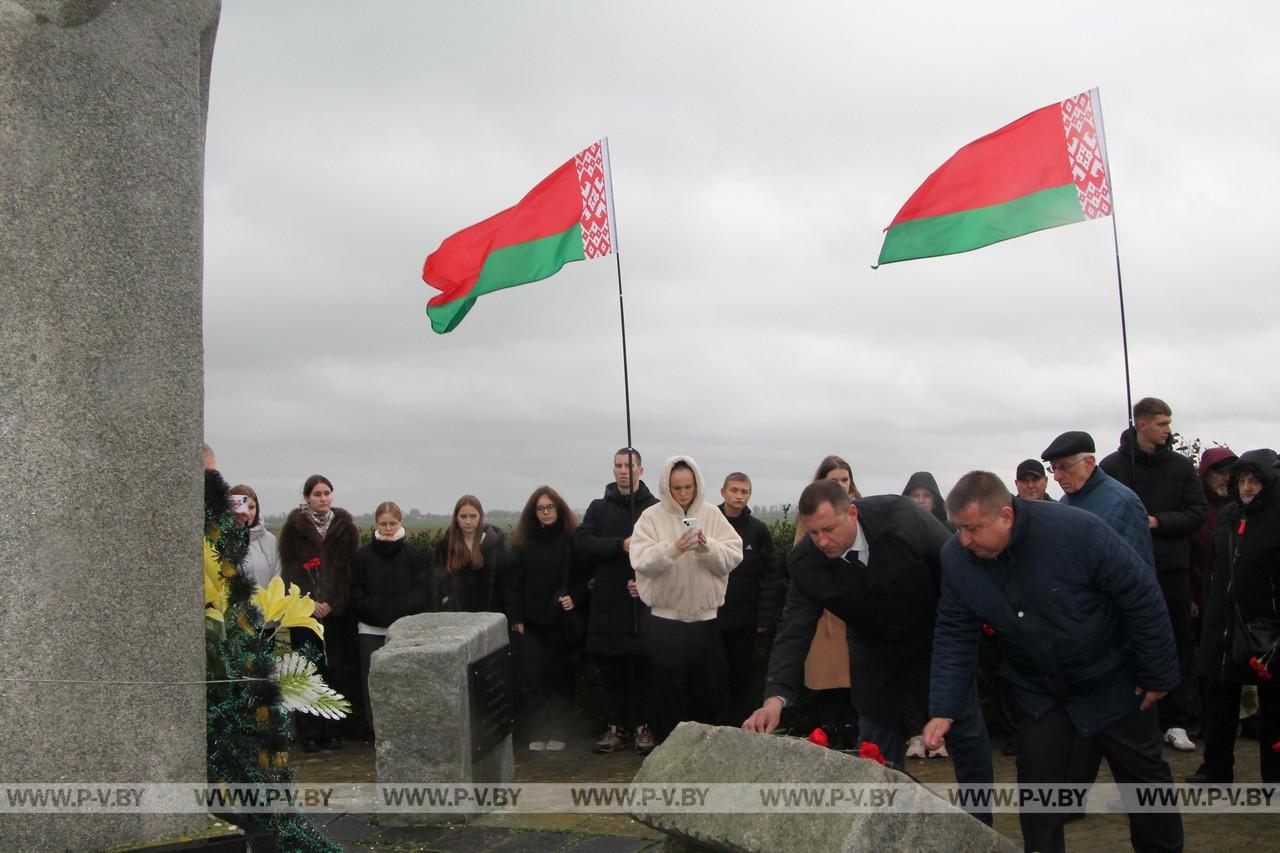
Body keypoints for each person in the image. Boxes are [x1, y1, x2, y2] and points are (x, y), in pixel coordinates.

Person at [926, 471, 1182, 853]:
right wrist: (944, 709)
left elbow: (1140, 594)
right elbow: (953, 633)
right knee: (1039, 794)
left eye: (973, 529)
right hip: (1039, 689)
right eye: (958, 529)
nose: (964, 540)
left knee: (1144, 785)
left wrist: (1157, 673)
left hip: (1113, 678)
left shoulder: (1076, 531)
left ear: (1006, 516)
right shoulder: (958, 559)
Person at [745, 479, 994, 823]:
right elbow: (794, 628)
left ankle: (981, 827)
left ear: (852, 512)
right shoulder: (804, 562)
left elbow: (957, 568)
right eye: (814, 533)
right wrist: (776, 696)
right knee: (876, 744)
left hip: (934, 641)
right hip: (873, 654)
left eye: (829, 529)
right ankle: (889, 829)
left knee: (965, 734)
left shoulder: (903, 519)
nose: (823, 542)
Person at [1101, 398, 1207, 753]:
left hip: (1170, 571)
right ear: (1142, 423)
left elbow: (1196, 513)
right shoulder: (1113, 466)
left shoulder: (1180, 467)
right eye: (1161, 423)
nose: (1167, 429)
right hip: (1125, 570)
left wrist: (1156, 522)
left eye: (1169, 423)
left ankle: (1175, 721)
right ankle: (1130, 717)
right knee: (1126, 642)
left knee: (1175, 642)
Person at [631, 456, 743, 743]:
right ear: (666, 487)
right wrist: (673, 549)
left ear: (697, 485)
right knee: (668, 697)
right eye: (676, 488)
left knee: (707, 695)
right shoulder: (650, 517)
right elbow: (641, 560)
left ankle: (704, 753)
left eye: (687, 487)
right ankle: (669, 754)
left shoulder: (713, 516)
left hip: (705, 623)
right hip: (665, 623)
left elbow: (733, 556)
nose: (682, 494)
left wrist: (707, 547)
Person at [1190, 449, 1280, 784]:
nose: (1246, 486)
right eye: (1242, 479)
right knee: (1217, 701)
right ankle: (1215, 769)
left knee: (1274, 709)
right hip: (1221, 622)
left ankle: (1274, 777)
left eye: (1255, 480)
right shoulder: (1227, 516)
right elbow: (1213, 567)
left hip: (1267, 626)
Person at [575, 448, 659, 754]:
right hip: (607, 605)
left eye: (629, 466)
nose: (623, 471)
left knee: (643, 671)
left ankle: (643, 728)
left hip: (642, 605)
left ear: (641, 470)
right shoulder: (598, 508)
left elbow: (667, 551)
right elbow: (583, 544)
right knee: (611, 672)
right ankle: (615, 727)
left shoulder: (655, 508)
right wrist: (618, 545)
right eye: (618, 465)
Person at [278, 474, 361, 751]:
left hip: (337, 613)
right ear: (307, 497)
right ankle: (310, 731)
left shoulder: (345, 527)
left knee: (337, 670)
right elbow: (290, 569)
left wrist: (333, 602)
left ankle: (335, 728)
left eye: (327, 493)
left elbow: (349, 570)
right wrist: (309, 601)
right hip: (304, 613)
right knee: (308, 669)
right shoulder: (293, 528)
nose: (323, 498)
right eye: (317, 494)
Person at [505, 486, 588, 752]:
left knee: (560, 677)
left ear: (559, 509)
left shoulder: (572, 540)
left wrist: (574, 597)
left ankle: (560, 732)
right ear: (534, 513)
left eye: (550, 507)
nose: (546, 512)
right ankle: (537, 732)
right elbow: (513, 583)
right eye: (540, 508)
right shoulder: (522, 544)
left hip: (560, 621)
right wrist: (516, 616)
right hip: (530, 622)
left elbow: (585, 578)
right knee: (533, 679)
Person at [350, 501, 434, 736]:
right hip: (370, 629)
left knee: (405, 681)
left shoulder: (414, 555)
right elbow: (356, 592)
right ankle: (376, 732)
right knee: (374, 684)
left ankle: (406, 731)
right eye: (383, 523)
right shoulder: (362, 556)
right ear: (376, 524)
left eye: (392, 523)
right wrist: (372, 609)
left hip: (405, 631)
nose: (388, 528)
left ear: (401, 523)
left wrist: (401, 611)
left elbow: (423, 591)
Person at [795, 455, 861, 749]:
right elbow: (802, 558)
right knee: (825, 677)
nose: (841, 485)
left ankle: (855, 730)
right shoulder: (808, 514)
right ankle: (827, 730)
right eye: (834, 480)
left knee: (856, 674)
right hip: (823, 611)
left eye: (845, 480)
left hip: (855, 607)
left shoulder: (860, 510)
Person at [716, 472, 779, 726]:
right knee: (713, 677)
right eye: (734, 490)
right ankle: (714, 727)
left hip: (745, 621)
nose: (738, 496)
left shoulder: (758, 530)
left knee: (743, 679)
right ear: (723, 492)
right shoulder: (710, 524)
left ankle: (740, 729)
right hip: (712, 618)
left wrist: (763, 617)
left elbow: (770, 575)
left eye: (744, 491)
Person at [1043, 431, 1154, 569]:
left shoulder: (1123, 503)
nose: (1057, 476)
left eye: (1064, 467)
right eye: (1053, 468)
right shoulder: (1064, 503)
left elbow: (1137, 572)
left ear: (1089, 463)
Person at [1190, 447, 1237, 617]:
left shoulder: (1242, 508)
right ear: (1206, 473)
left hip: (1236, 600)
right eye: (1220, 473)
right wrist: (1189, 597)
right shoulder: (1193, 508)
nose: (1226, 478)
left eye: (1231, 472)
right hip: (1201, 599)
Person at [436, 495, 504, 613]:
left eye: (473, 516)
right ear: (456, 518)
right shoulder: (445, 546)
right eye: (463, 516)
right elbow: (437, 585)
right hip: (455, 618)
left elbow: (504, 582)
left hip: (489, 616)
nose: (468, 521)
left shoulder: (494, 545)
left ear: (480, 517)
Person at [229, 484, 279, 589]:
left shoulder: (270, 540)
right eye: (241, 507)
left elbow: (277, 577)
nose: (247, 512)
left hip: (266, 604)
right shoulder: (222, 540)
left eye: (251, 507)